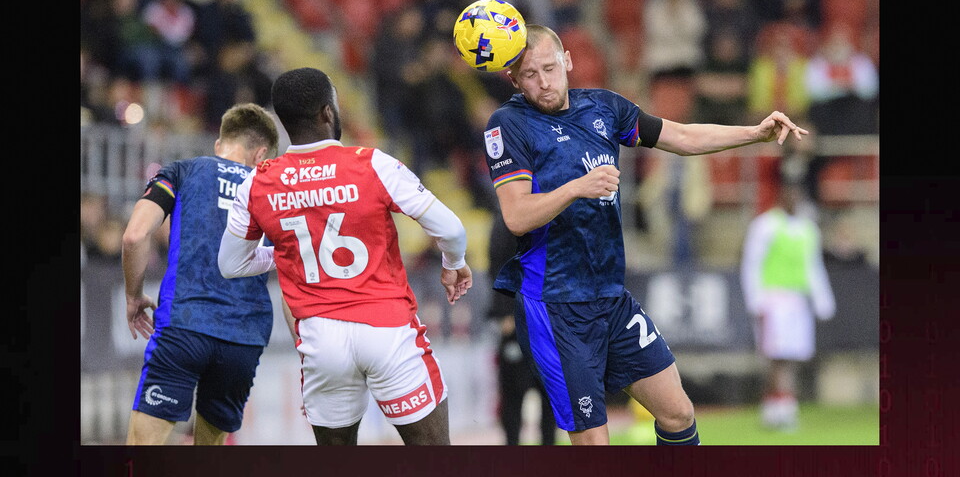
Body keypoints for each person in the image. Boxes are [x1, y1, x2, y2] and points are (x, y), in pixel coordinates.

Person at [483, 24, 809, 445]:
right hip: (555, 306)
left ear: (568, 61)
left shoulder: (604, 107)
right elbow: (516, 215)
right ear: (513, 79)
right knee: (594, 443)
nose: (544, 82)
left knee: (678, 412)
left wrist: (753, 134)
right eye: (530, 74)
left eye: (550, 68)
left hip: (610, 298)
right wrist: (578, 187)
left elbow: (682, 136)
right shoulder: (508, 124)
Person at [218, 67, 473, 445]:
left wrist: (286, 254)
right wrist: (454, 263)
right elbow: (450, 230)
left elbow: (231, 264)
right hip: (387, 330)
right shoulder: (372, 163)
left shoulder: (258, 183)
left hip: (321, 341)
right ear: (327, 112)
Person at [122, 102, 281, 445]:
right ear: (262, 155)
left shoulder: (184, 171)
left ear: (219, 144)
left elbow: (134, 235)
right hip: (244, 337)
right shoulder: (274, 193)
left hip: (185, 325)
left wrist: (133, 296)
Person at [740, 173, 835, 430]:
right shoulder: (765, 225)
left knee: (792, 355)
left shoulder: (808, 229)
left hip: (798, 300)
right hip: (774, 299)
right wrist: (754, 298)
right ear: (781, 197)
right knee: (775, 355)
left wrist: (822, 299)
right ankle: (782, 408)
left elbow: (814, 266)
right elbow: (752, 263)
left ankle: (777, 407)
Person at [486, 212, 556, 446]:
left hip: (547, 319)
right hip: (516, 318)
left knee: (551, 393)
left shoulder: (552, 210)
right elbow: (497, 266)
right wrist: (503, 312)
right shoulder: (506, 218)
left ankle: (549, 450)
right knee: (513, 394)